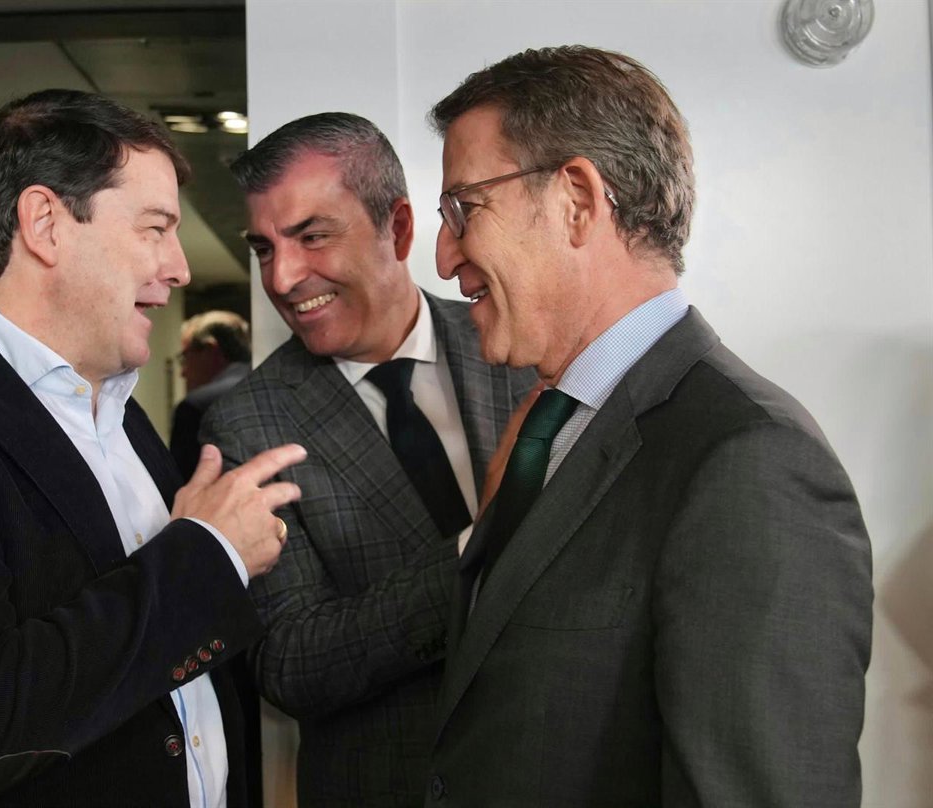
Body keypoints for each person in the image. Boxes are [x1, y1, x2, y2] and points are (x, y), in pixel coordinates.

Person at [0, 88, 305, 808]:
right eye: (155, 229)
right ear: (44, 224)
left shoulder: (118, 412)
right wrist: (208, 553)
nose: (179, 268)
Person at [423, 46, 873, 806]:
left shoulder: (752, 462)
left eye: (463, 209)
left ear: (576, 200)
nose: (443, 257)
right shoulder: (547, 427)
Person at [200, 112, 537, 807]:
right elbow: (289, 663)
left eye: (311, 237)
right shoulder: (247, 424)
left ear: (400, 228)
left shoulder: (521, 347)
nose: (282, 277)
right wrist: (481, 547)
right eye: (263, 248)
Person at [171, 310, 252, 478]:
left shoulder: (195, 406)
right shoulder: (273, 387)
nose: (183, 372)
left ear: (210, 349)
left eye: (185, 357)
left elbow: (180, 482)